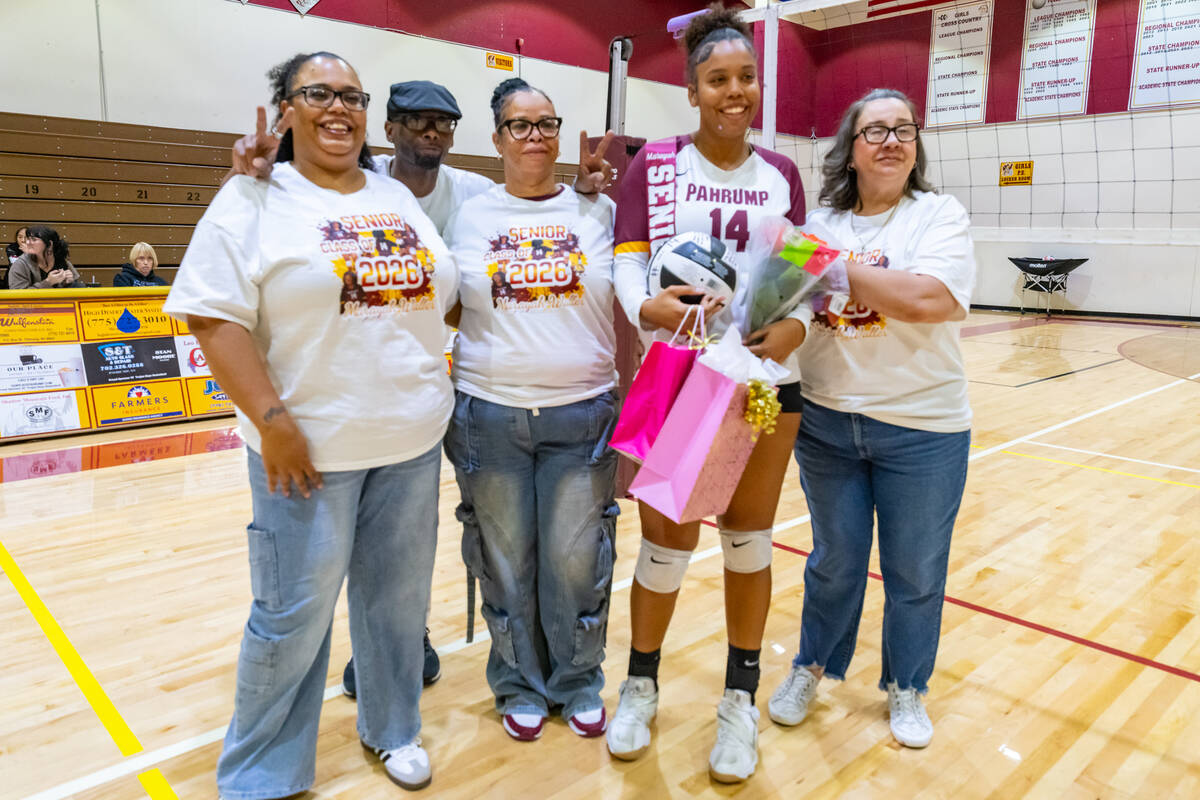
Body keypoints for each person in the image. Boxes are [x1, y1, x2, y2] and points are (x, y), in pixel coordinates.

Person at [227, 79, 614, 692]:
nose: (429, 130)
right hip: (348, 412)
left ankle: (523, 672)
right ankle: (432, 664)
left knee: (438, 558)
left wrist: (583, 189)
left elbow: (518, 226)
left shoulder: (476, 195)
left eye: (442, 121)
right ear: (389, 128)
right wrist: (255, 173)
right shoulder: (372, 184)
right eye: (414, 120)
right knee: (316, 590)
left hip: (450, 412)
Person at [163, 51, 457, 796]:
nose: (338, 108)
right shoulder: (254, 195)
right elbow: (212, 315)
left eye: (352, 96)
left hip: (411, 444)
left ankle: (393, 728)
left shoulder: (395, 196)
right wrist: (272, 420)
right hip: (306, 452)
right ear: (287, 109)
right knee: (291, 614)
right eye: (318, 93)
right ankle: (261, 770)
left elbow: (436, 297)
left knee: (397, 607)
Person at [605, 6, 809, 783]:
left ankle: (738, 702)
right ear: (692, 90)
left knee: (748, 542)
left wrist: (795, 329)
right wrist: (645, 308)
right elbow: (628, 260)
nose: (736, 91)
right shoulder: (656, 165)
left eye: (746, 77)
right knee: (665, 546)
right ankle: (640, 686)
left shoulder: (782, 174)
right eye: (718, 79)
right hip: (681, 378)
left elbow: (801, 277)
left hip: (761, 383)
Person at [767, 88, 976, 750]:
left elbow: (926, 299)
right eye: (876, 131)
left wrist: (826, 266)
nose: (892, 141)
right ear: (850, 150)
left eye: (904, 130)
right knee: (834, 561)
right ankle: (811, 667)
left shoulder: (939, 215)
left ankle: (906, 685)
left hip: (924, 430)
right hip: (828, 424)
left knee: (914, 571)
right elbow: (786, 310)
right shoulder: (818, 224)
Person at [441, 77, 619, 743]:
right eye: (520, 124)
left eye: (547, 123)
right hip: (489, 416)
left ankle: (577, 681)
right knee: (506, 562)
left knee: (576, 562)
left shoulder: (597, 211)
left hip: (582, 414)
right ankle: (518, 685)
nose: (535, 135)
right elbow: (450, 302)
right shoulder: (470, 215)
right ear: (497, 138)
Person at [8, 226, 82, 289]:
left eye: (34, 239)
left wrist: (69, 283)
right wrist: (48, 282)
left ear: (49, 244)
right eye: (28, 239)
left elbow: (76, 290)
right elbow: (18, 296)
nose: (27, 242)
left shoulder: (62, 260)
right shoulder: (20, 264)